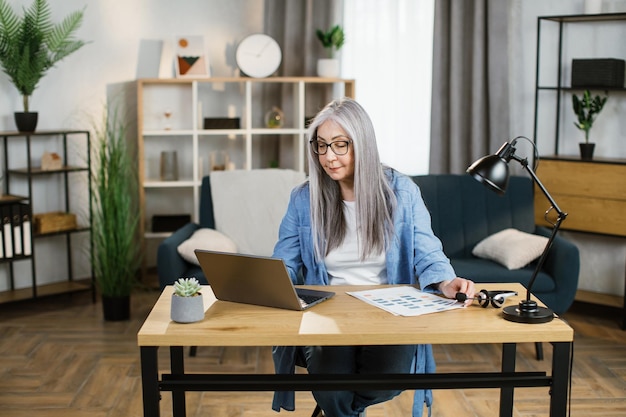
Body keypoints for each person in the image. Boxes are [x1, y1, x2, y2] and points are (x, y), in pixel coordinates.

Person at [271, 97, 475, 417]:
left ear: (362, 144)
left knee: (386, 382)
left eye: (340, 145)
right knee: (332, 387)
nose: (329, 156)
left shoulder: (401, 191)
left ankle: (335, 410)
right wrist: (272, 284)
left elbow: (427, 250)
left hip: (389, 312)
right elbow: (284, 260)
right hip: (327, 315)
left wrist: (447, 281)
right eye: (321, 146)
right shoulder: (303, 198)